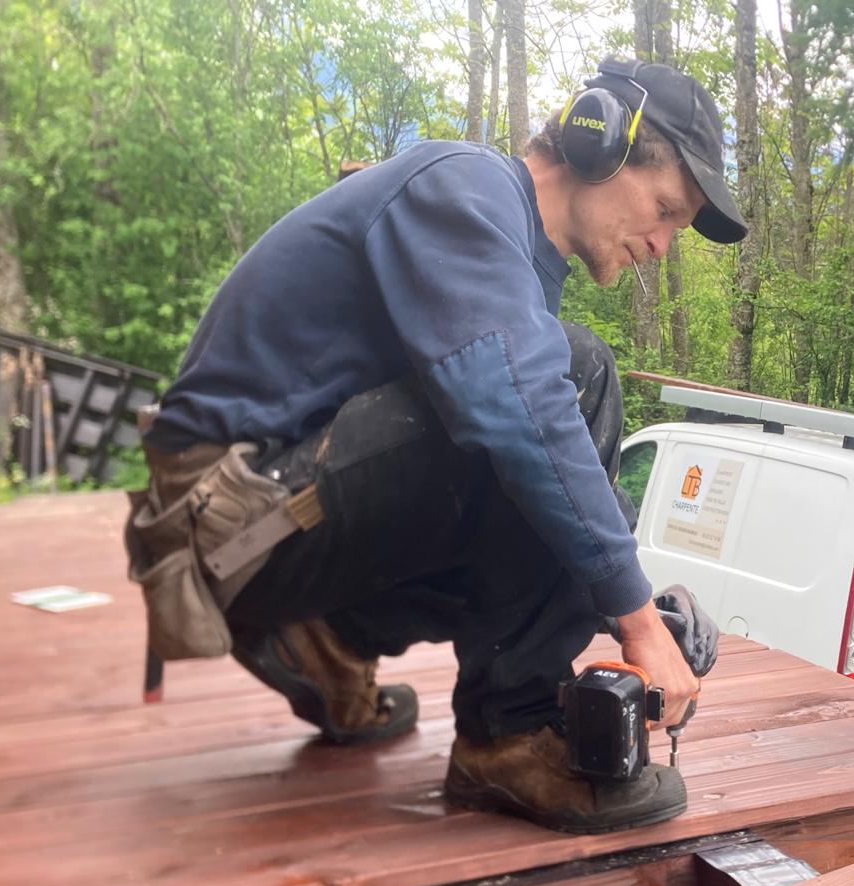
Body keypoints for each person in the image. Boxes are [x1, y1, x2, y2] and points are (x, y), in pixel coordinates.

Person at [125, 59, 746, 834]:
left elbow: (537, 477)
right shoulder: (463, 187)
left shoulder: (506, 257)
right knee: (567, 376)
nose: (661, 244)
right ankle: (509, 735)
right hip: (224, 521)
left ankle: (325, 639)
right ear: (601, 146)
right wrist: (636, 624)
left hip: (263, 520)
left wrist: (637, 602)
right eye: (665, 210)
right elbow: (520, 411)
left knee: (546, 456)